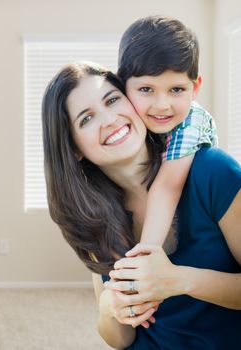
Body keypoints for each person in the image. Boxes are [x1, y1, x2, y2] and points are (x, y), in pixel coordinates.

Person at [41, 61, 241, 349]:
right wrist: (110, 309)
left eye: (112, 100)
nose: (109, 120)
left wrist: (180, 280)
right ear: (73, 149)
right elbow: (121, 339)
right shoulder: (92, 215)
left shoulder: (212, 171)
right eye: (86, 119)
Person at [118, 16, 218, 252]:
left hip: (200, 223)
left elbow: (167, 187)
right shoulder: (128, 119)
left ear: (194, 88)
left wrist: (146, 253)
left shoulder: (193, 121)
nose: (162, 105)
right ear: (123, 85)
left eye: (176, 89)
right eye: (146, 89)